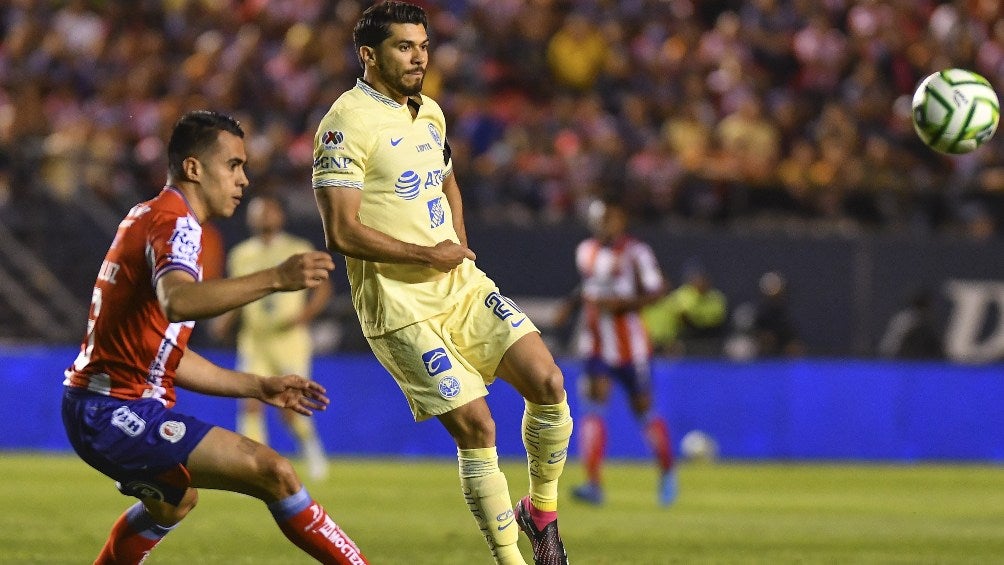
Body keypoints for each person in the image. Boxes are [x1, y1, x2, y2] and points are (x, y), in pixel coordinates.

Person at [311, 4, 572, 564]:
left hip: (460, 284)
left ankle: (541, 514)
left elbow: (448, 182)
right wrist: (427, 252)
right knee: (477, 425)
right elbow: (341, 231)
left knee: (548, 382)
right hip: (399, 303)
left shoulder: (429, 111)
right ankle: (511, 559)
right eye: (404, 46)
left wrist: (456, 244)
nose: (419, 56)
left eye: (423, 45)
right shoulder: (345, 122)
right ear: (369, 54)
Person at [61, 110, 369, 565]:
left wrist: (258, 386)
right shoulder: (175, 222)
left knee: (174, 502)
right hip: (111, 410)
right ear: (193, 168)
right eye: (234, 165)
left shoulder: (152, 216)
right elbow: (179, 301)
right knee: (274, 471)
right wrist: (275, 278)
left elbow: (167, 356)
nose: (243, 179)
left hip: (104, 406)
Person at [553, 197, 678, 507]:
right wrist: (570, 308)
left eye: (611, 219)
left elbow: (657, 289)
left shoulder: (636, 252)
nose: (606, 225)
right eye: (601, 220)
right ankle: (593, 483)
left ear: (621, 221)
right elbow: (588, 287)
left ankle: (666, 472)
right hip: (595, 343)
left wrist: (622, 305)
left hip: (631, 347)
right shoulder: (585, 251)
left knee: (644, 410)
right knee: (594, 405)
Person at [213, 195, 332, 481]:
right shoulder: (240, 254)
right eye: (257, 212)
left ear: (280, 215)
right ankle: (254, 464)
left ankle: (312, 449)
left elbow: (323, 288)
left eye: (268, 210)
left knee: (289, 405)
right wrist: (225, 319)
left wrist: (304, 316)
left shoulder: (297, 248)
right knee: (250, 401)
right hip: (255, 339)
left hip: (289, 339)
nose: (263, 216)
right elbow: (238, 295)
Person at [642, 260, 728, 356]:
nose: (699, 282)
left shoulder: (716, 297)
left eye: (701, 278)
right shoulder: (681, 295)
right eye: (695, 278)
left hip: (710, 339)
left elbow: (712, 319)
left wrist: (692, 316)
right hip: (671, 342)